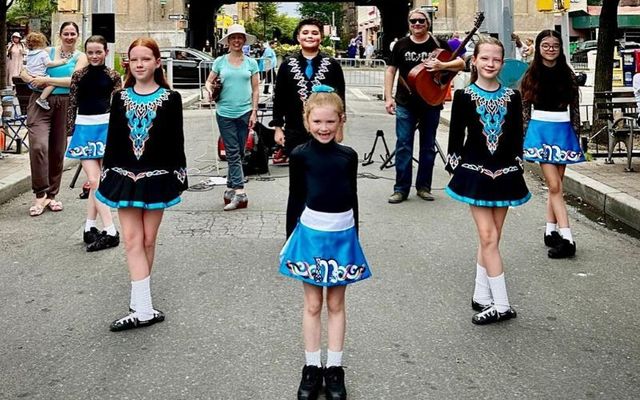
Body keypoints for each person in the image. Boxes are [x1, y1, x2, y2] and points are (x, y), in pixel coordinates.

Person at [279, 86, 371, 400]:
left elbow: (353, 197)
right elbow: (295, 198)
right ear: (307, 121)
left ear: (340, 120)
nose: (323, 128)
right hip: (310, 236)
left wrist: (356, 237)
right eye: (317, 122)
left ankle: (334, 368)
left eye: (330, 122)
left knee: (336, 304)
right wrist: (290, 238)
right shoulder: (299, 155)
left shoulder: (349, 157)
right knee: (313, 304)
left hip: (343, 236)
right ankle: (311, 368)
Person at [96, 37, 188, 331]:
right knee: (133, 241)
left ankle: (140, 303)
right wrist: (107, 173)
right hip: (124, 177)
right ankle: (144, 308)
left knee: (149, 240)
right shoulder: (119, 98)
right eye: (134, 59)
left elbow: (176, 141)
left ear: (157, 63)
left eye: (146, 59)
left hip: (158, 178)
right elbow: (113, 141)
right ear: (128, 64)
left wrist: (179, 175)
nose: (139, 64)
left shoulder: (171, 99)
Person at [445, 36, 530, 325]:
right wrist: (456, 167)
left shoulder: (513, 96)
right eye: (485, 58)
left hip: (506, 175)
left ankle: (482, 294)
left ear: (502, 62)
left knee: (492, 238)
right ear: (474, 62)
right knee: (488, 237)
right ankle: (502, 304)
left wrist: (518, 164)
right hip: (475, 173)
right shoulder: (464, 96)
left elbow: (516, 136)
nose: (490, 64)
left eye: (496, 59)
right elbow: (456, 138)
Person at [384, 9, 465, 204]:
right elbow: (391, 70)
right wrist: (388, 97)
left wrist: (442, 66)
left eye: (421, 21)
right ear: (409, 23)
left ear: (428, 23)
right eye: (413, 21)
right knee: (403, 145)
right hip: (405, 102)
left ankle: (424, 187)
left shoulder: (438, 44)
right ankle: (401, 189)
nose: (417, 24)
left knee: (428, 146)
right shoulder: (401, 45)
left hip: (431, 102)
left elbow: (461, 63)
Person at [521, 30, 585, 259]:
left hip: (564, 132)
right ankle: (568, 238)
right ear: (538, 48)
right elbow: (524, 109)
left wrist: (576, 135)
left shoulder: (567, 74)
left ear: (560, 48)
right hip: (540, 132)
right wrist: (525, 137)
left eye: (555, 45)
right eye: (546, 45)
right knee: (555, 186)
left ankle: (550, 230)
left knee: (555, 185)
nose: (550, 49)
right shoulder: (531, 73)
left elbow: (575, 108)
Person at [20, 22, 89, 217]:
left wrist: (46, 80)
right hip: (39, 102)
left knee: (57, 150)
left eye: (72, 33)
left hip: (64, 103)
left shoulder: (80, 57)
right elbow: (25, 69)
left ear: (77, 35)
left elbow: (74, 81)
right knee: (38, 146)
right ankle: (40, 193)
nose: (69, 36)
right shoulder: (47, 52)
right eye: (66, 33)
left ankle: (52, 195)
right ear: (59, 35)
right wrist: (29, 78)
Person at [66, 35, 122, 251]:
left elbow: (118, 107)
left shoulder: (114, 76)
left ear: (106, 52)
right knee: (94, 179)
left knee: (97, 182)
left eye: (98, 52)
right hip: (83, 130)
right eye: (90, 52)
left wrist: (119, 134)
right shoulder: (78, 76)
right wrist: (70, 133)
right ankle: (110, 230)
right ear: (86, 53)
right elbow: (71, 105)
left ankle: (89, 227)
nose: (94, 56)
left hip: (106, 129)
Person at [272, 18, 346, 166]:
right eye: (305, 33)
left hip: (324, 130)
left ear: (321, 37)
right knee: (299, 174)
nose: (310, 36)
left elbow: (340, 99)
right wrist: (278, 128)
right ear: (298, 37)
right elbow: (279, 98)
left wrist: (339, 128)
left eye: (314, 33)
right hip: (294, 129)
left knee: (324, 170)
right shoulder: (287, 65)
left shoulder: (332, 65)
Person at [204, 24, 259, 211]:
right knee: (233, 152)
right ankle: (240, 193)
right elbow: (209, 81)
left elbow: (256, 89)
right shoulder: (220, 61)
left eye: (240, 37)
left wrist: (254, 111)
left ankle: (229, 188)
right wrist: (208, 90)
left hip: (245, 112)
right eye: (233, 37)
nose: (236, 40)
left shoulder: (251, 63)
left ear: (244, 41)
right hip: (224, 112)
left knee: (241, 152)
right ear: (228, 41)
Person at [24, 32, 71, 110]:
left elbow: (25, 66)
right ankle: (42, 98)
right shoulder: (43, 53)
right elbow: (49, 63)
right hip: (40, 76)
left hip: (31, 77)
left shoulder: (29, 54)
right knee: (52, 83)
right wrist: (62, 62)